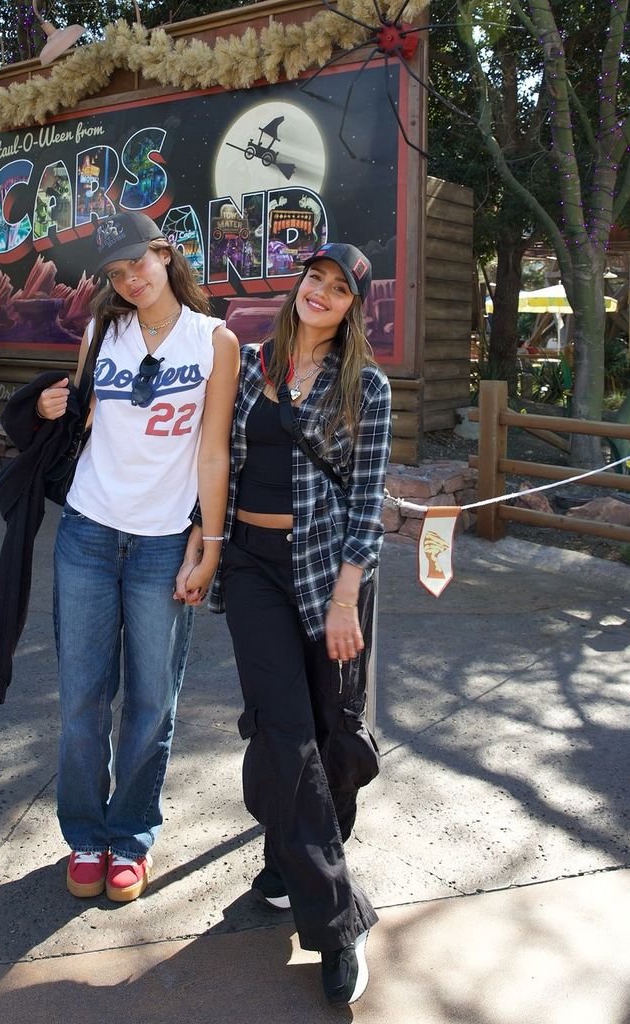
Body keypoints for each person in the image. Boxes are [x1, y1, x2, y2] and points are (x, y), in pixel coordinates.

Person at [35, 211, 239, 902]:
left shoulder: (215, 339)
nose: (129, 281)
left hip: (161, 542)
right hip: (88, 532)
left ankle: (130, 836)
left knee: (152, 700)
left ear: (164, 253)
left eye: (138, 265)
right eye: (116, 274)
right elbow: (82, 424)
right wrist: (55, 406)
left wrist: (209, 545)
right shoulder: (101, 331)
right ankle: (85, 835)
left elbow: (214, 451)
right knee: (82, 699)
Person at [207, 242, 392, 1006]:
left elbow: (367, 500)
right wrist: (205, 547)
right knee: (282, 729)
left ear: (352, 306)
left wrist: (345, 597)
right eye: (312, 280)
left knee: (333, 730)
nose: (320, 293)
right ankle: (334, 919)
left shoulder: (367, 388)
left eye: (337, 287)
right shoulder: (250, 364)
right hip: (251, 564)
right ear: (298, 289)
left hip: (330, 575)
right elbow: (210, 451)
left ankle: (291, 858)